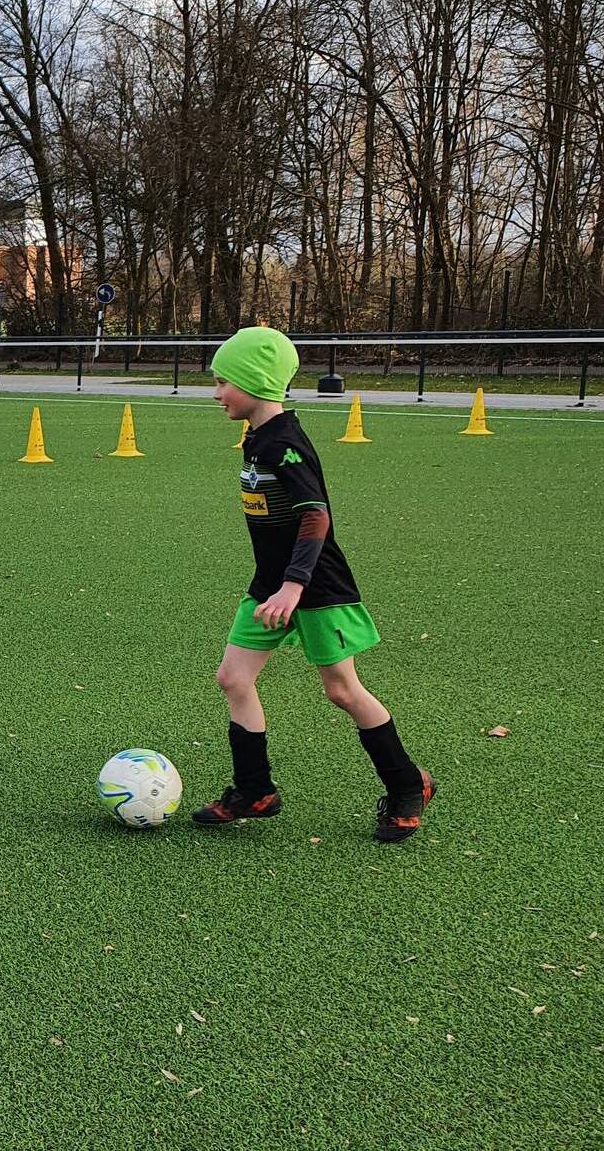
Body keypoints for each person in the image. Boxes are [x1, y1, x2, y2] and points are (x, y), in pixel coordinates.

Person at [198, 325, 433, 843]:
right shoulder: (258, 439)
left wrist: (293, 587)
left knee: (342, 690)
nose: (217, 393)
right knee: (233, 678)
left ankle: (407, 786)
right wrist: (276, 585)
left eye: (223, 382)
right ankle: (255, 791)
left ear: (255, 381)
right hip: (270, 585)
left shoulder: (287, 446)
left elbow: (315, 517)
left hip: (314, 588)